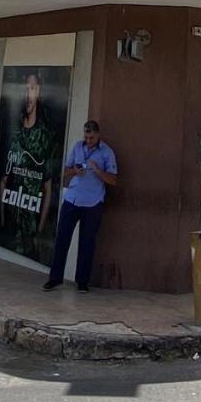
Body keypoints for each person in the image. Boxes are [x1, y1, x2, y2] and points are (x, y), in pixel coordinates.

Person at [42, 120, 117, 292]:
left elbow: (113, 179)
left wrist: (98, 171)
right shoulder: (77, 147)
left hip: (93, 203)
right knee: (62, 238)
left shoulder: (107, 153)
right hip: (72, 199)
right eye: (86, 137)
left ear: (98, 135)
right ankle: (55, 278)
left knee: (87, 243)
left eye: (91, 137)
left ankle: (82, 281)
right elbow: (65, 172)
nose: (88, 140)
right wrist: (74, 171)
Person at [0, 72, 59, 260]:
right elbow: (3, 180)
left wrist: (39, 231)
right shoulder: (14, 132)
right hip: (11, 225)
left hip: (30, 232)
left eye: (32, 88)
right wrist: (2, 220)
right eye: (25, 89)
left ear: (39, 91)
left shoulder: (44, 135)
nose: (28, 94)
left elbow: (48, 189)